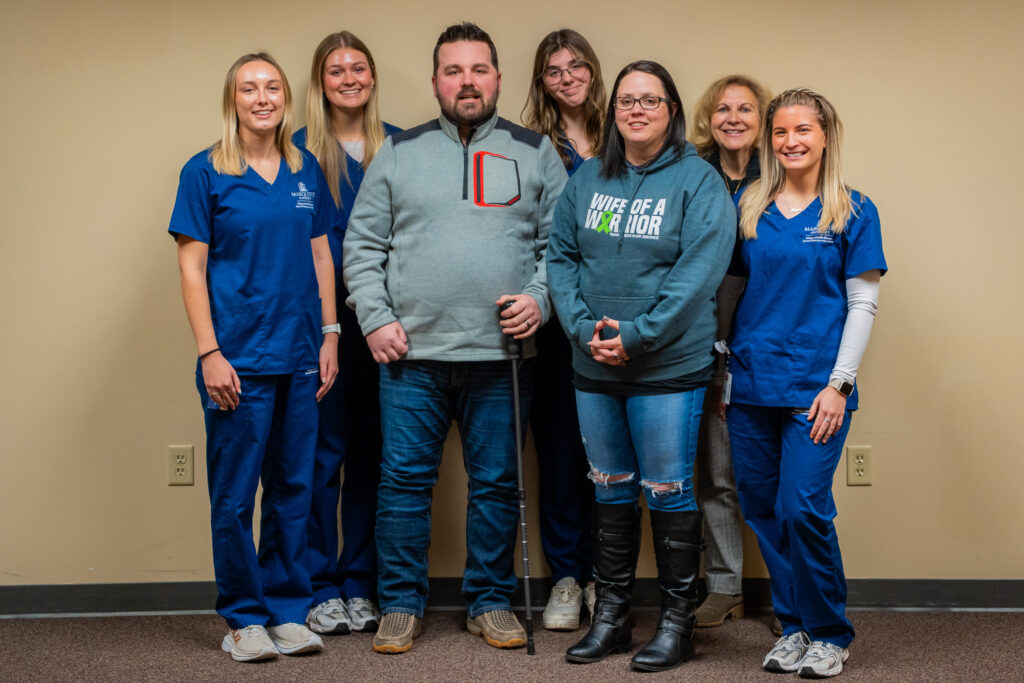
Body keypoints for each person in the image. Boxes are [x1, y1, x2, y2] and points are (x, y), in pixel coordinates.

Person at [341, 22, 567, 655]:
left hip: (502, 357)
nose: (467, 82)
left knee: (496, 483)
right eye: (453, 71)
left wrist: (540, 299)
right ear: (437, 80)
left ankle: (491, 600)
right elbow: (360, 246)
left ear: (497, 76)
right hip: (409, 355)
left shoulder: (534, 150)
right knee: (403, 484)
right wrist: (375, 318)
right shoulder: (400, 151)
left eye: (479, 69)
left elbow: (564, 248)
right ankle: (402, 605)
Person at [547, 60, 736, 672]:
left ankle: (678, 625)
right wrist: (581, 328)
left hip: (665, 366)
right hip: (594, 366)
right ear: (615, 111)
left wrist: (638, 335)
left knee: (668, 489)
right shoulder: (587, 180)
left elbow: (696, 277)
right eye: (627, 100)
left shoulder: (698, 182)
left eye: (650, 100)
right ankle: (614, 618)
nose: (636, 110)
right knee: (609, 489)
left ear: (672, 111)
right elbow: (561, 257)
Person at [168, 52, 341, 662]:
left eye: (272, 87)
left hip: (299, 353)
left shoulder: (305, 170)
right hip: (237, 358)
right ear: (232, 100)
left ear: (285, 99)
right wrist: (210, 352)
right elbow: (191, 268)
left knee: (295, 487)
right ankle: (243, 617)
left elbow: (322, 256)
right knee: (237, 497)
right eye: (249, 88)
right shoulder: (206, 171)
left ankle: (288, 610)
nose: (262, 97)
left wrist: (331, 334)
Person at [724, 88, 886, 678]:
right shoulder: (749, 204)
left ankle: (829, 632)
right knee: (764, 509)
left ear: (825, 136)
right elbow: (734, 292)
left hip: (816, 388)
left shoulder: (853, 208)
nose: (791, 142)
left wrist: (839, 386)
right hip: (751, 383)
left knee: (804, 508)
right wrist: (723, 372)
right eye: (781, 132)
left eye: (803, 131)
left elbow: (862, 305)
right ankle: (793, 627)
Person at [294, 30, 402, 637]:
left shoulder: (403, 145)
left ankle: (362, 584)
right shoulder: (297, 154)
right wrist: (326, 326)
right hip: (323, 328)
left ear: (372, 77)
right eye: (336, 70)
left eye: (359, 67)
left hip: (385, 326)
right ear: (321, 81)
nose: (349, 78)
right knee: (319, 458)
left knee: (372, 458)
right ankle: (319, 585)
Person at [520, 27, 607, 632]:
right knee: (556, 453)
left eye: (576, 66)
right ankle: (567, 580)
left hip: (614, 319)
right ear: (541, 81)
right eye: (554, 70)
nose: (567, 77)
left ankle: (607, 576)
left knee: (608, 455)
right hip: (553, 323)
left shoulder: (627, 135)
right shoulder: (529, 146)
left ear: (594, 71)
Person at [688, 74, 774, 631]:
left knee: (769, 477)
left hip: (766, 334)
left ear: (762, 119)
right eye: (723, 108)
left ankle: (793, 594)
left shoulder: (785, 175)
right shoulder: (691, 173)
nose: (734, 118)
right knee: (716, 472)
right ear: (708, 118)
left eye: (746, 108)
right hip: (699, 331)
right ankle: (723, 586)